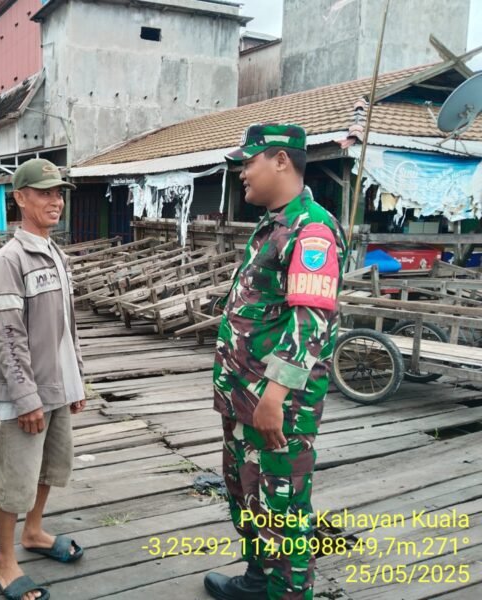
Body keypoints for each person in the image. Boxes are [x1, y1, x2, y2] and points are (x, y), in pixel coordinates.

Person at [204, 124, 346, 600]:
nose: (242, 171)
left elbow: (312, 323)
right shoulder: (274, 224)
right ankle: (256, 580)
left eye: (250, 161)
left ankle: (288, 593)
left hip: (276, 405)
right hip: (244, 396)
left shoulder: (313, 231)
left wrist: (276, 394)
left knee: (282, 507)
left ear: (282, 160)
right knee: (246, 493)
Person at [0, 158, 87, 600]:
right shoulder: (9, 260)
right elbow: (7, 334)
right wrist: (26, 398)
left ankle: (34, 531)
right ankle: (5, 561)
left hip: (58, 385)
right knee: (16, 476)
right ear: (20, 198)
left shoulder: (54, 251)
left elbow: (66, 324)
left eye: (58, 192)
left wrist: (76, 379)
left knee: (51, 466)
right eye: (44, 192)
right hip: (27, 392)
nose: (55, 201)